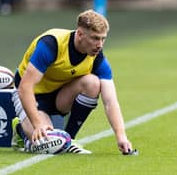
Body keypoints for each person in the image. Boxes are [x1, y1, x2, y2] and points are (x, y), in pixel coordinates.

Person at [12, 9, 133, 154]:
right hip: (32, 95)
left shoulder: (97, 57)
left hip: (59, 96)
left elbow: (110, 101)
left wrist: (121, 136)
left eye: (103, 39)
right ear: (80, 34)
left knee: (93, 83)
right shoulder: (51, 44)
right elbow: (25, 88)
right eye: (95, 38)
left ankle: (70, 139)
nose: (100, 45)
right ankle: (20, 131)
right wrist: (38, 125)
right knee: (48, 145)